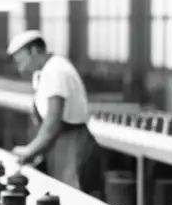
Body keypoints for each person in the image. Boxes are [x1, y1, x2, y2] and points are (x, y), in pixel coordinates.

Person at [8, 30, 104, 196]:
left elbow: (53, 122)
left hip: (73, 145)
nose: (21, 67)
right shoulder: (44, 72)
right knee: (61, 197)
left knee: (74, 198)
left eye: (22, 61)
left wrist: (31, 151)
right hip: (61, 144)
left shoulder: (56, 71)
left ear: (34, 51)